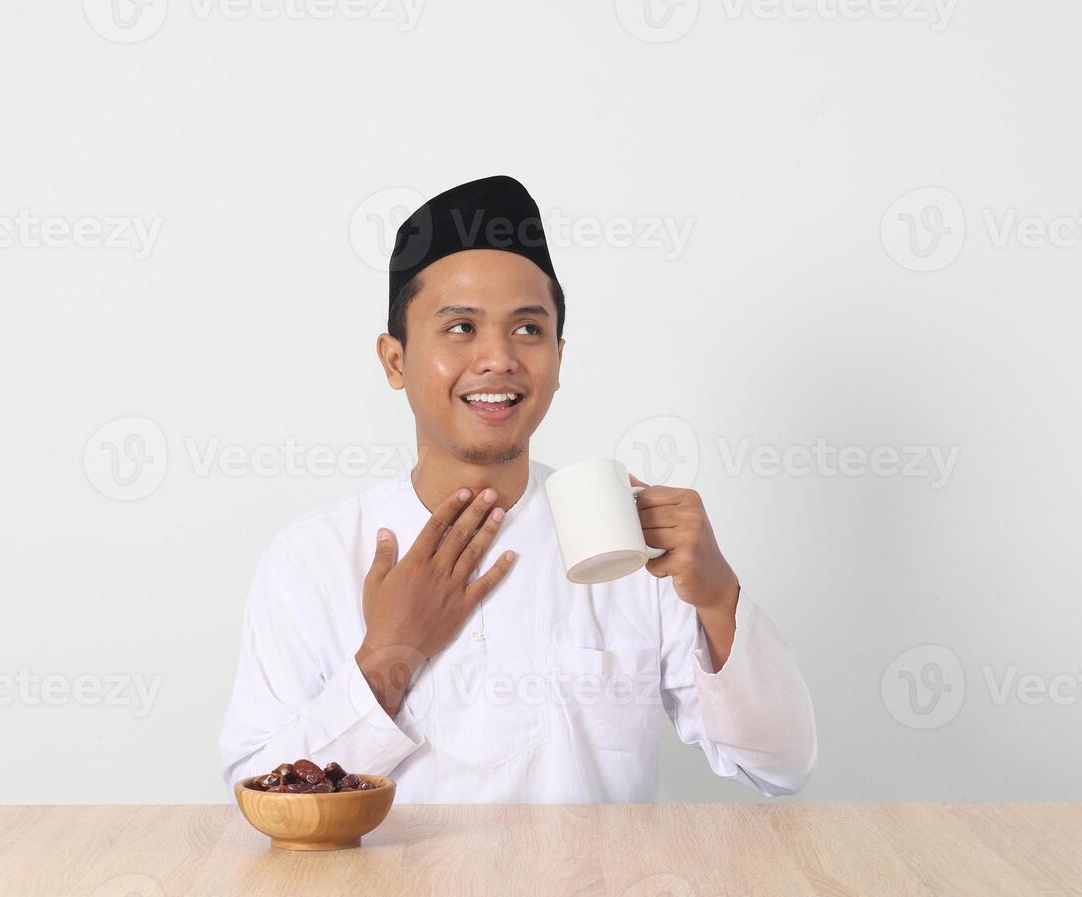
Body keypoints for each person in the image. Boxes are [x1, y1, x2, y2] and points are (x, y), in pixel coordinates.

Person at [218, 175, 816, 803]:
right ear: (394, 360)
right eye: (460, 328)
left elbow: (781, 767)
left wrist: (720, 597)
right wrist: (388, 659)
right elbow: (255, 807)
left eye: (528, 329)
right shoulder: (313, 560)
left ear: (560, 356)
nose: (499, 358)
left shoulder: (630, 546)